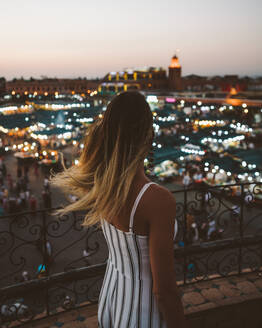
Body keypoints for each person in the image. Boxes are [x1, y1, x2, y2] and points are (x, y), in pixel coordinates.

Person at [51, 92, 188, 328]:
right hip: (144, 314)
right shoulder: (157, 199)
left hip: (112, 301)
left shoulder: (103, 185)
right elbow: (164, 290)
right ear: (147, 135)